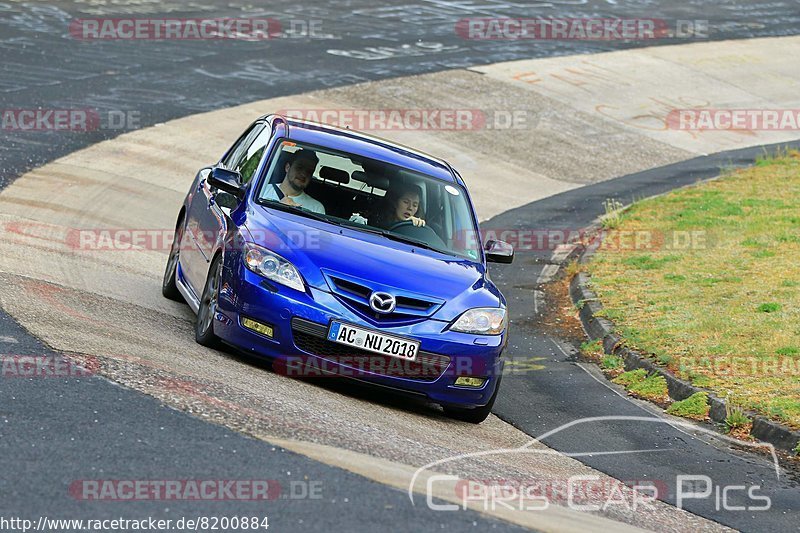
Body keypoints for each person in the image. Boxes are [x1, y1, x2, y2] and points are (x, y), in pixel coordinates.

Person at [262, 149, 325, 214]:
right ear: (287, 167)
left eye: (309, 171)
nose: (304, 174)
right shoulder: (262, 190)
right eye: (299, 167)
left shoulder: (316, 208)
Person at [352, 183, 426, 229]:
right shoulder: (377, 221)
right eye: (406, 202)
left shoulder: (417, 228)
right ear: (395, 202)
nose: (410, 208)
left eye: (415, 205)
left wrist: (417, 226)